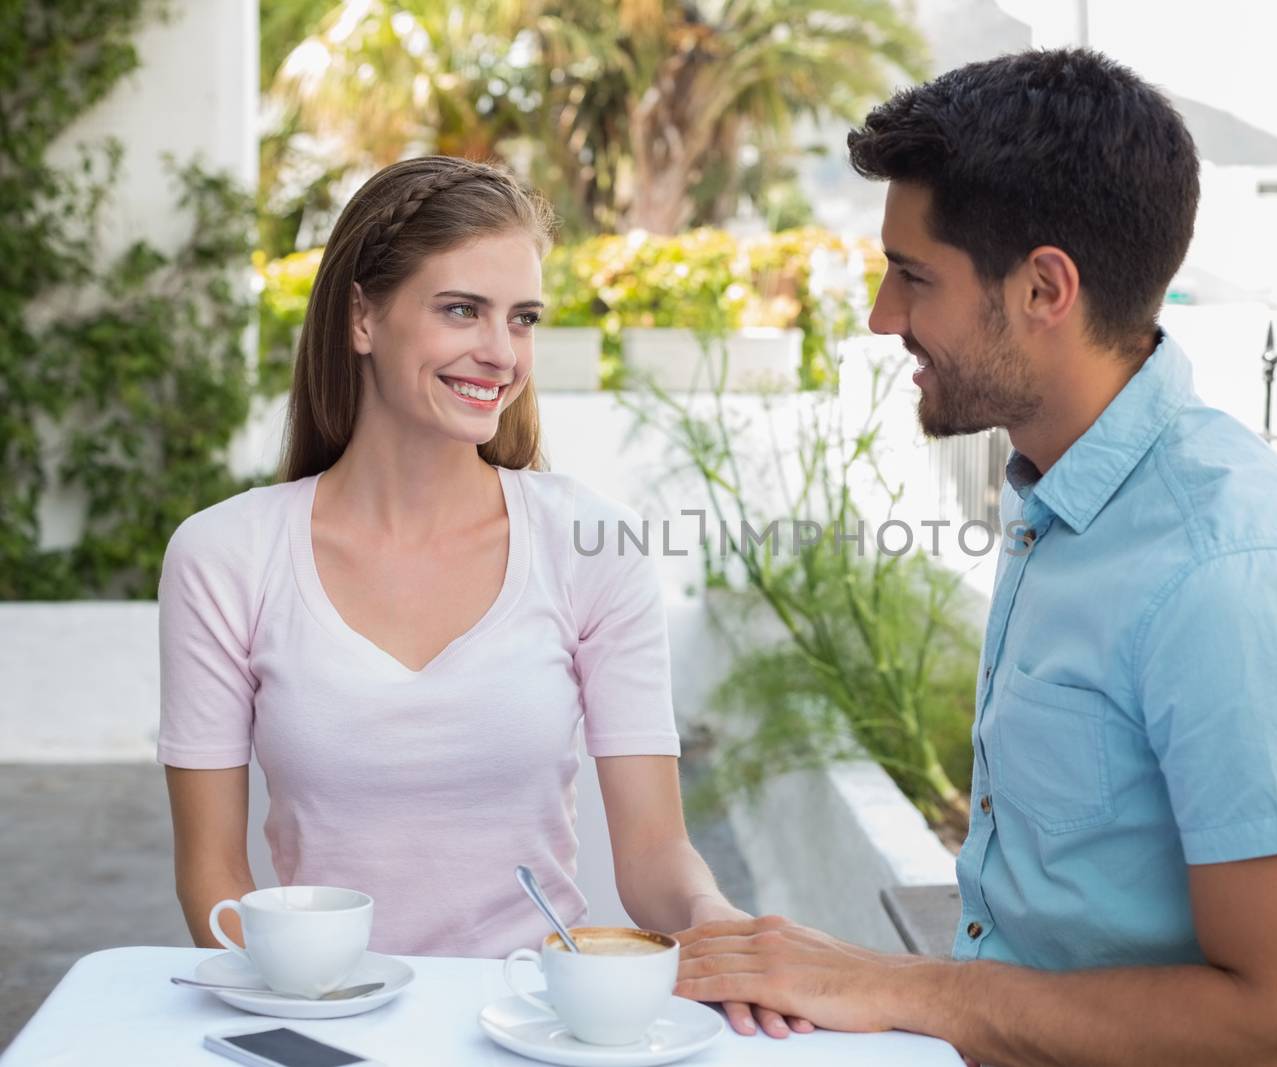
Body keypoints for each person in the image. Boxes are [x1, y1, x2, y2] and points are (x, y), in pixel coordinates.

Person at [672, 49, 1277, 1066]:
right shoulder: (1069, 495)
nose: (884, 318)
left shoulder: (1229, 574)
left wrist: (900, 985)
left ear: (1044, 287)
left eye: (911, 276)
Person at [158, 156, 802, 1038]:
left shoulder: (591, 544)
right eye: (462, 309)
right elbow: (213, 878)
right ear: (361, 316)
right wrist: (302, 1021)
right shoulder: (224, 556)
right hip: (321, 1027)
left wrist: (716, 919)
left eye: (523, 318)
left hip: (537, 1027)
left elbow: (654, 852)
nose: (501, 353)